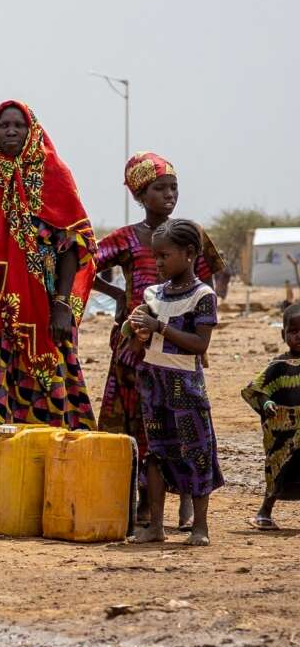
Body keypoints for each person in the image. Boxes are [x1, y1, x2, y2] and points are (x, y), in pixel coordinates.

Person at [0, 100, 97, 525]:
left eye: (18, 125)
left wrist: (63, 306)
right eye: (2, 125)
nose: (11, 131)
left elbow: (71, 248)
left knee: (44, 401)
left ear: (32, 133)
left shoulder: (53, 183)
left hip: (39, 318)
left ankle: (48, 491)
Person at [93, 152, 225, 527]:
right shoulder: (126, 238)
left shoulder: (190, 234)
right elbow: (89, 264)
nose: (169, 195)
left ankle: (184, 501)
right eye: (159, 188)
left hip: (177, 346)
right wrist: (118, 295)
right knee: (141, 424)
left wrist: (203, 318)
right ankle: (144, 503)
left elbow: (208, 276)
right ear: (140, 194)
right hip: (135, 346)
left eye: (173, 188)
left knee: (182, 423)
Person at [123, 219, 222, 546]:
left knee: (197, 451)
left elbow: (199, 344)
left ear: (190, 253)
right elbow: (141, 341)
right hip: (154, 381)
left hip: (186, 385)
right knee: (156, 453)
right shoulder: (153, 294)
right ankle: (156, 526)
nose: (159, 263)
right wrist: (137, 332)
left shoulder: (203, 296)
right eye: (156, 257)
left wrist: (159, 326)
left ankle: (200, 527)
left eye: (165, 256)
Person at [241, 303, 300, 531]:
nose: (298, 336)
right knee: (278, 470)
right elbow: (256, 389)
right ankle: (264, 512)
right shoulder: (278, 365)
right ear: (282, 334)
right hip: (282, 435)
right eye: (293, 331)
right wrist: (266, 403)